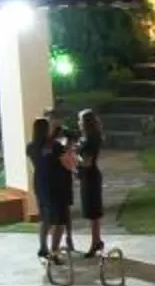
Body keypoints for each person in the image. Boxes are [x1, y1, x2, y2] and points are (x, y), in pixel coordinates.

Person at [26, 115, 68, 259]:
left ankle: (43, 247)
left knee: (45, 216)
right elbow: (64, 159)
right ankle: (54, 250)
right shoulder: (55, 146)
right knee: (60, 219)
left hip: (39, 182)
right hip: (54, 183)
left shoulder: (31, 147)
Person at [75, 108, 107, 254]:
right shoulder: (92, 137)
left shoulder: (90, 140)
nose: (78, 123)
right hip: (91, 175)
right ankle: (96, 240)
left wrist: (73, 160)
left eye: (80, 120)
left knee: (93, 211)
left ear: (86, 123)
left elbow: (86, 162)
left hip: (90, 176)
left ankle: (96, 242)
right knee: (93, 212)